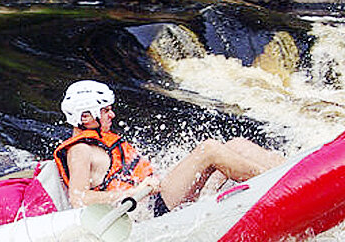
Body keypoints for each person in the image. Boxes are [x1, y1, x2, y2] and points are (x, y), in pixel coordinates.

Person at [53, 80, 284, 215]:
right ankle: (282, 188)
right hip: (152, 212)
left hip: (160, 197)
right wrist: (132, 193)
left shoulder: (100, 140)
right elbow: (79, 198)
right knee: (209, 150)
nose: (112, 115)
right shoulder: (80, 150)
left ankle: (292, 169)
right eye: (105, 111)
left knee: (237, 145)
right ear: (85, 116)